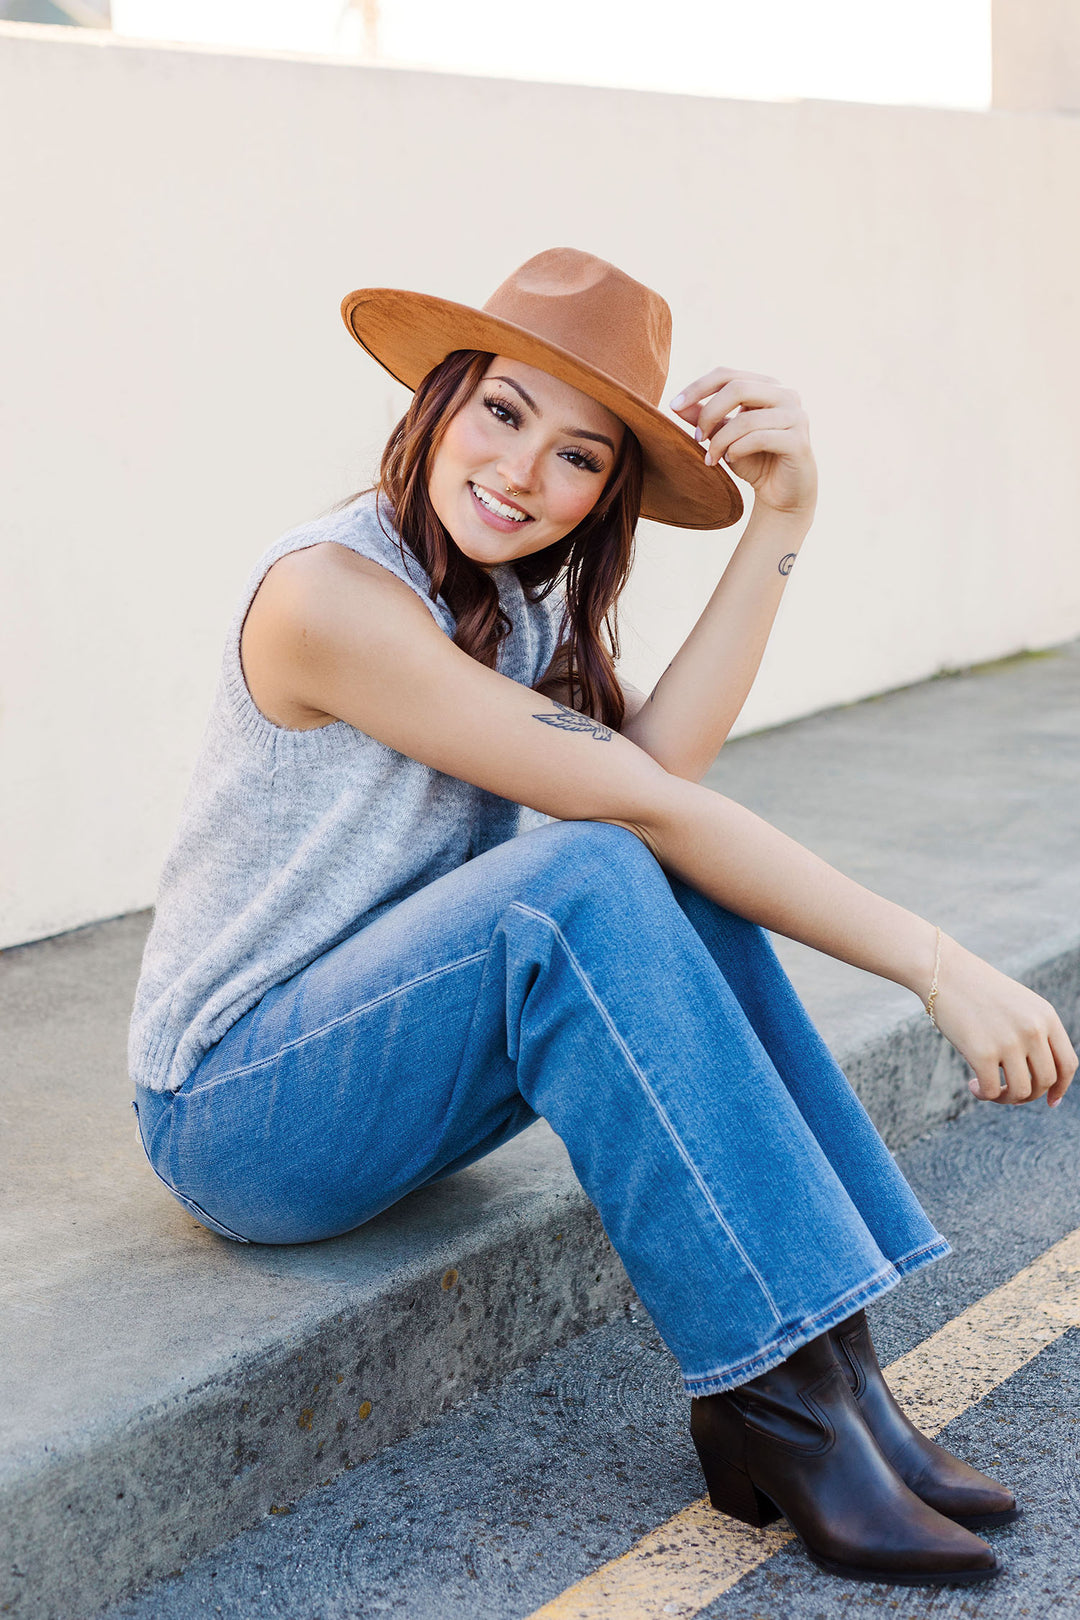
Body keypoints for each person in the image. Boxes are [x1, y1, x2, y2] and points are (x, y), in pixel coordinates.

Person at [128, 247, 1076, 1587]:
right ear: (437, 405)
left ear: (606, 496)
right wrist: (933, 960)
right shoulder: (332, 596)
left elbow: (661, 775)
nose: (522, 474)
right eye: (503, 413)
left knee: (651, 858)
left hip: (383, 1061)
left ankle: (834, 1370)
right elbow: (638, 804)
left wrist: (783, 520)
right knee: (587, 873)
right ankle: (779, 1397)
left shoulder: (507, 599)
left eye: (578, 457)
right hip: (238, 1111)